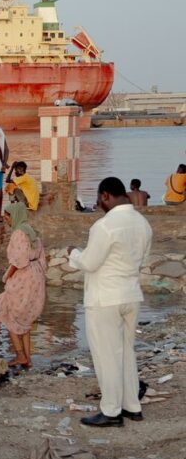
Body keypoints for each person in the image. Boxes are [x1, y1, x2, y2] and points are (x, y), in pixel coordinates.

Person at [68, 177, 152, 428]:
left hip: (105, 298)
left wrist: (73, 253)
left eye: (98, 199)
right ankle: (131, 406)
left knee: (107, 356)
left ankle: (111, 411)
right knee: (126, 352)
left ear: (106, 196)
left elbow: (90, 263)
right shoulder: (143, 223)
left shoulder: (105, 226)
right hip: (131, 295)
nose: (98, 204)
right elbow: (143, 262)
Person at [0, 203, 46, 368]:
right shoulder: (31, 231)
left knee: (8, 313)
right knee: (25, 318)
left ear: (16, 215)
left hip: (24, 276)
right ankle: (28, 359)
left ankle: (20, 355)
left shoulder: (18, 233)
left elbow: (19, 260)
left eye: (8, 215)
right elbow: (42, 257)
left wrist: (8, 275)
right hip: (36, 275)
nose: (5, 219)